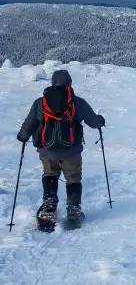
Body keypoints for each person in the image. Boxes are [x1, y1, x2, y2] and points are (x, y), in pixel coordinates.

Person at [16, 69, 105, 226]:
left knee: (50, 174)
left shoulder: (40, 103)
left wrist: (23, 136)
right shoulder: (78, 103)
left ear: (53, 83)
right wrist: (100, 121)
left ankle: (49, 207)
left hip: (47, 150)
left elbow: (30, 124)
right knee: (73, 178)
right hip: (72, 150)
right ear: (70, 84)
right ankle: (73, 211)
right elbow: (93, 122)